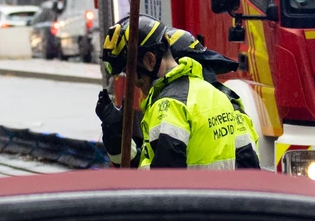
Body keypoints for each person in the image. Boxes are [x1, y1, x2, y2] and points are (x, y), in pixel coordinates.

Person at [98, 15, 260, 169]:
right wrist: (117, 139)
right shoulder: (220, 98)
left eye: (132, 74)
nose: (135, 84)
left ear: (149, 61)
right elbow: (249, 169)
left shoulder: (169, 105)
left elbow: (163, 185)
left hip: (190, 198)